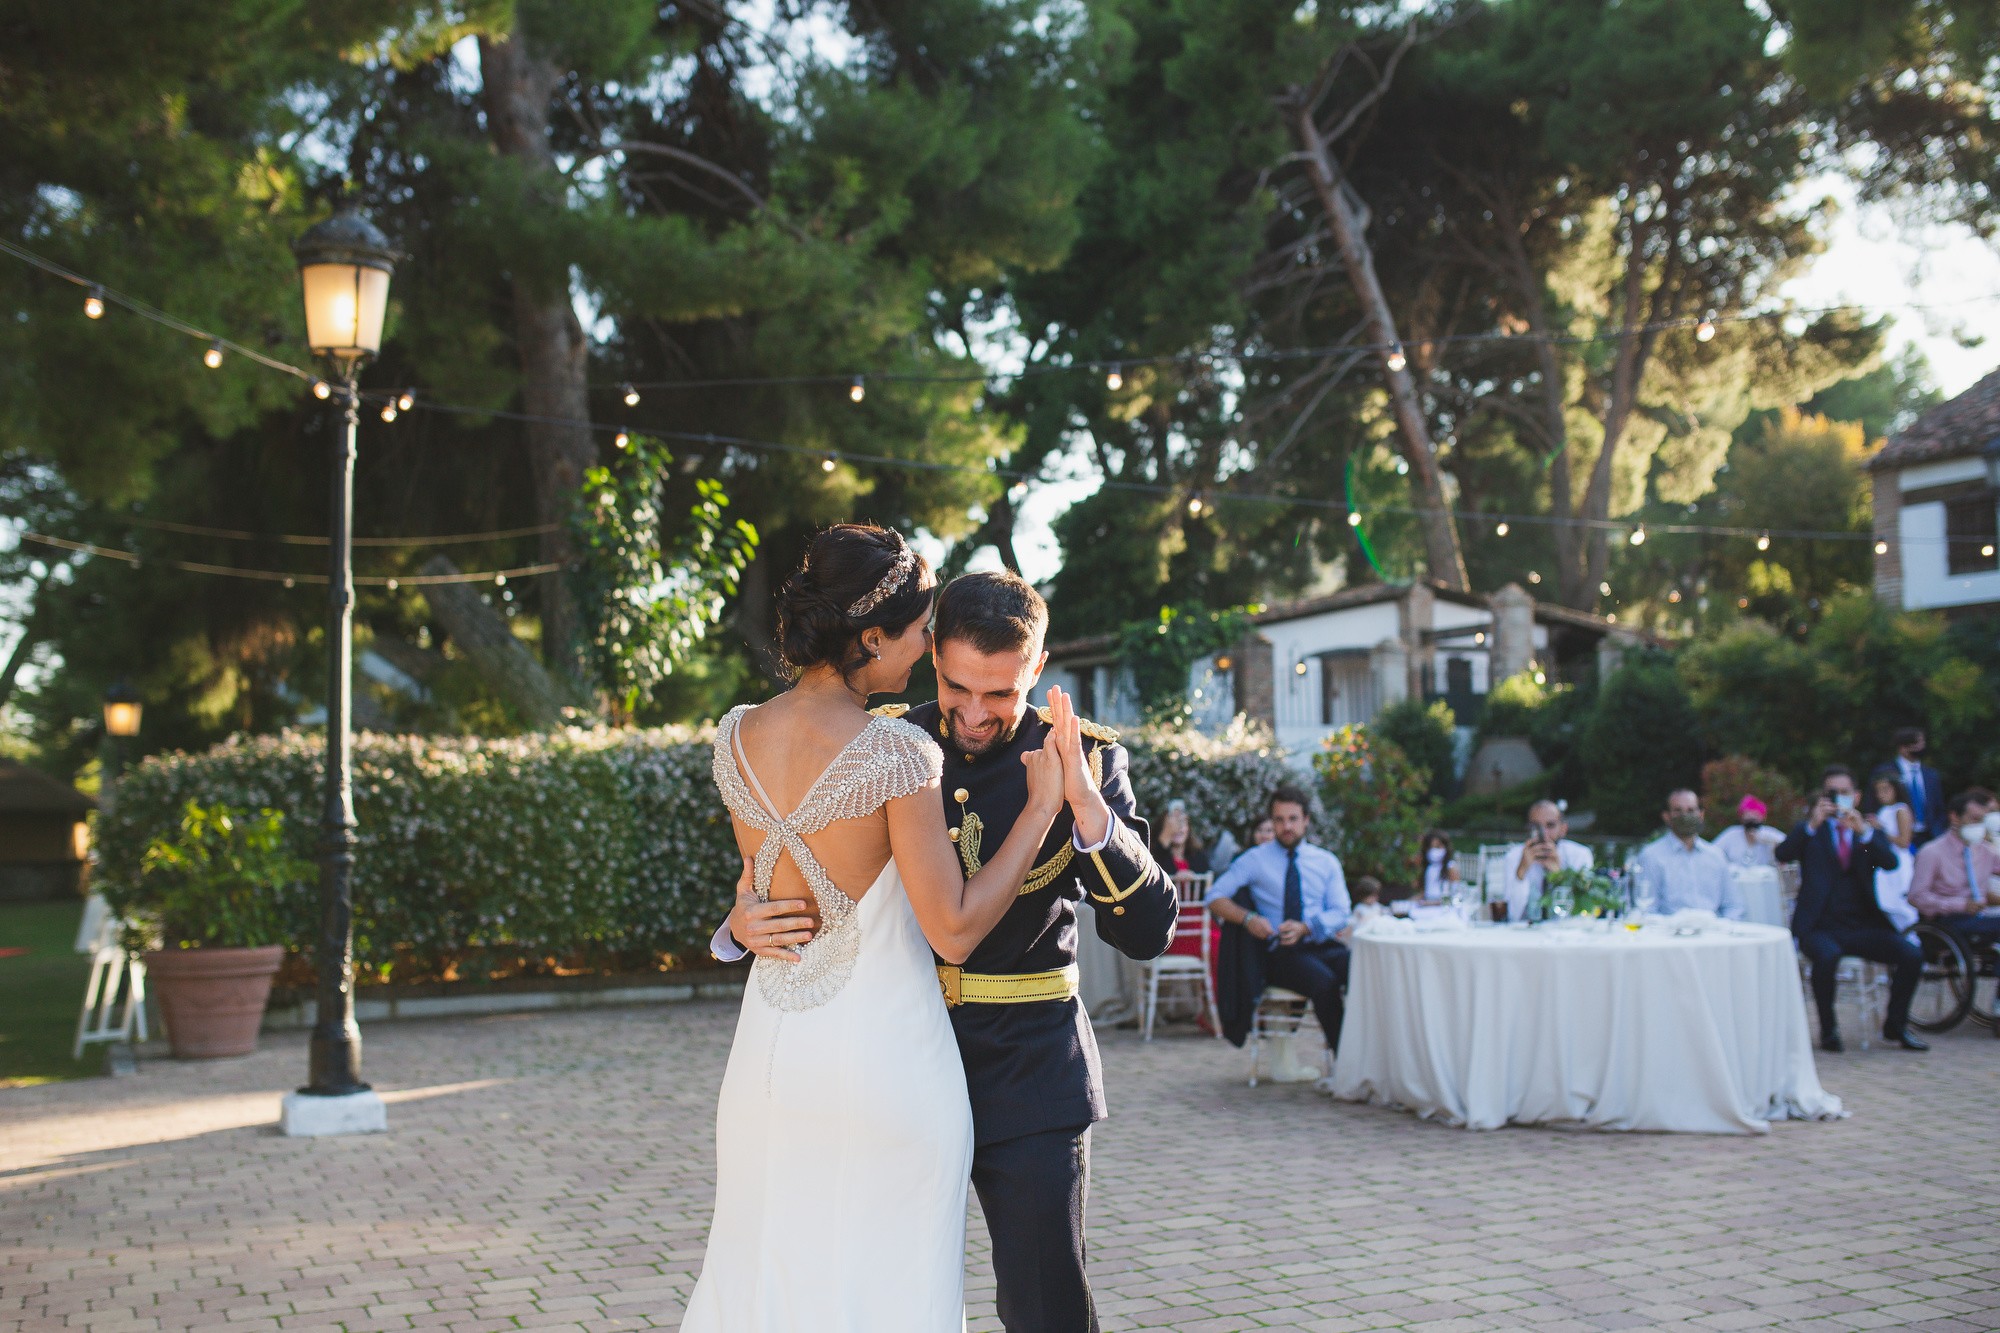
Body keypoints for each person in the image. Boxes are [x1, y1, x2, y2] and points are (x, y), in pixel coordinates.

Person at [714, 566, 1174, 1333]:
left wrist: (1085, 805)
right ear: (933, 657)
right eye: (957, 685)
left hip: (1027, 1067)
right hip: (892, 1059)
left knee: (1042, 1303)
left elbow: (1149, 929)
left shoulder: (1083, 757)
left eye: (1000, 692)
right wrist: (739, 923)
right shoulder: (887, 742)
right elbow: (792, 864)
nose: (973, 711)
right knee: (880, 1287)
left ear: (1038, 666)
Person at [1777, 764, 1925, 1054]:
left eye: (1844, 792)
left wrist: (1865, 835)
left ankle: (1895, 1024)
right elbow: (1783, 854)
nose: (1838, 798)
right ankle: (1829, 1030)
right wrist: (1811, 825)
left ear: (1856, 797)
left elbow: (1889, 863)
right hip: (1819, 926)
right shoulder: (1811, 831)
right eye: (1832, 793)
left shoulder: (1866, 833)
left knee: (1911, 954)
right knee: (1827, 956)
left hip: (1861, 925)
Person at [1206, 786, 1352, 1053]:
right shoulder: (1254, 859)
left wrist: (1307, 927)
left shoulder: (1325, 862)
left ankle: (1373, 1056)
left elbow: (1342, 912)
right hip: (1281, 953)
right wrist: (1248, 918)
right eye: (1279, 820)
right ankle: (1345, 1062)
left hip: (1321, 942)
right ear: (1272, 821)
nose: (1286, 827)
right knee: (1325, 984)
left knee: (1359, 971)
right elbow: (1214, 896)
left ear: (1306, 820)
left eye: (1293, 819)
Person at [1908, 789, 2000, 964]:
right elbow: (1916, 896)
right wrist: (1961, 905)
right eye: (1974, 819)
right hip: (1946, 920)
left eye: (1983, 820)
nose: (1979, 826)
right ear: (1955, 817)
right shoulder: (1932, 852)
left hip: (1979, 918)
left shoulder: (1984, 851)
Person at [1636, 789, 1745, 919]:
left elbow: (1734, 906)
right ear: (1666, 816)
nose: (1685, 815)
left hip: (1714, 934)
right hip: (1669, 934)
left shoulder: (1716, 856)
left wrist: (1724, 928)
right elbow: (1646, 909)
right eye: (1678, 811)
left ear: (1701, 814)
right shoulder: (1651, 856)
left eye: (1691, 810)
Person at [1498, 800, 1593, 922]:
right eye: (1536, 826)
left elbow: (1583, 913)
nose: (1543, 834)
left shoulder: (1579, 855)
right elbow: (1512, 915)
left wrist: (1559, 877)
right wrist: (1521, 871)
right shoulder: (1514, 856)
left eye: (1550, 825)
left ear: (1563, 829)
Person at [1866, 771, 1918, 931]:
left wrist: (1880, 830)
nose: (1882, 794)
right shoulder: (1883, 811)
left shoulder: (1901, 809)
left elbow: (1904, 841)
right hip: (1885, 865)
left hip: (1899, 865)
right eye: (1878, 790)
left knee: (1902, 906)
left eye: (1886, 789)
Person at [1888, 726, 1944, 849]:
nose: (1922, 747)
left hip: (1929, 836)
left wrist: (1938, 831)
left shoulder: (1931, 775)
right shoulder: (1887, 773)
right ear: (1903, 748)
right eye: (1917, 743)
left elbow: (1939, 807)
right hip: (1899, 837)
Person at [1712, 795, 1784, 869]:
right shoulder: (1731, 834)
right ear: (1741, 817)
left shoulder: (1769, 833)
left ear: (1762, 818)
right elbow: (1713, 851)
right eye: (1748, 817)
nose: (1751, 822)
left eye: (1755, 818)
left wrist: (1768, 839)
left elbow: (1787, 845)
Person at [1152, 800, 1211, 881]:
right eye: (1173, 824)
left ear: (1188, 828)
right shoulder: (1156, 857)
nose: (1178, 828)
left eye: (1182, 822)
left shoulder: (1198, 856)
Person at [1418, 830, 1460, 903]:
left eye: (1437, 847)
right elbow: (1424, 894)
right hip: (1426, 904)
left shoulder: (1450, 867)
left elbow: (1455, 894)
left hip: (1442, 907)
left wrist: (1432, 903)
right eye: (1431, 847)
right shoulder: (1428, 867)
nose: (1434, 850)